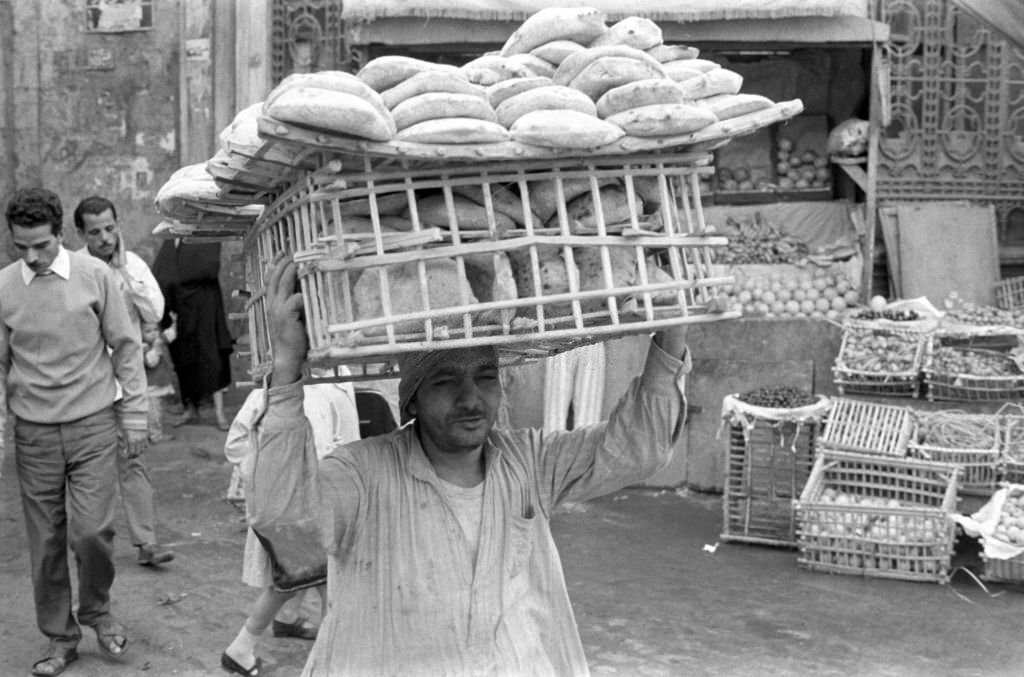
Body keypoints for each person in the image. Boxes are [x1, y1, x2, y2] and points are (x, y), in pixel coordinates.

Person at [248, 254, 691, 676]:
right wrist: (286, 373)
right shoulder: (361, 473)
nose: (470, 399)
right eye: (444, 381)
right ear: (412, 398)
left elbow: (638, 451)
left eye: (484, 377)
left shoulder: (530, 461)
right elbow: (287, 522)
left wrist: (670, 340)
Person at [0, 188, 148, 676]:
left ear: (61, 234)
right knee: (44, 543)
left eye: (40, 244)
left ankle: (97, 611)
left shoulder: (95, 276)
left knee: (91, 534)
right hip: (34, 435)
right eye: (20, 246)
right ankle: (60, 638)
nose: (32, 255)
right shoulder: (4, 288)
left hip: (92, 427)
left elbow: (126, 347)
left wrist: (135, 416)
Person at [221, 372, 361, 676]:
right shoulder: (271, 391)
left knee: (301, 578)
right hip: (289, 506)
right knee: (320, 580)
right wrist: (272, 474)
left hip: (326, 500)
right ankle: (328, 661)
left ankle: (249, 645)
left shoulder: (339, 380)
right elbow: (236, 444)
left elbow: (348, 438)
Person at [74, 196, 175, 567]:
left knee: (134, 458)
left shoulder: (132, 265)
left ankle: (146, 544)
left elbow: (156, 312)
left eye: (110, 228)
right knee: (89, 468)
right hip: (87, 383)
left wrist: (124, 275)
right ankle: (90, 546)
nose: (105, 238)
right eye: (95, 231)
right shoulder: (75, 269)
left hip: (128, 382)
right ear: (82, 234)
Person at [151, 238, 234, 430]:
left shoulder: (204, 236)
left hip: (205, 304)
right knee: (183, 359)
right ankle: (190, 409)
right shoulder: (171, 242)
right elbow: (161, 276)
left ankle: (220, 413)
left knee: (212, 357)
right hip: (180, 307)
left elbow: (207, 269)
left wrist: (176, 276)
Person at [141, 321, 177, 443]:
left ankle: (151, 433)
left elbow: (170, 334)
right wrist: (156, 348)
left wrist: (174, 323)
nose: (153, 333)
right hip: (151, 386)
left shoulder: (159, 339)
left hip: (159, 383)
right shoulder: (143, 347)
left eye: (155, 329)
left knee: (157, 410)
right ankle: (155, 435)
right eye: (148, 331)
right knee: (153, 413)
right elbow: (151, 362)